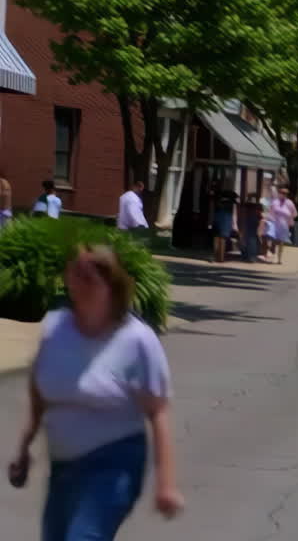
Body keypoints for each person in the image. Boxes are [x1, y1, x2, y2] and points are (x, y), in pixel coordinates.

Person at [8, 245, 184, 539]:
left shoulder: (136, 340)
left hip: (114, 465)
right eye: (75, 274)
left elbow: (158, 412)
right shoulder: (56, 328)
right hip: (63, 466)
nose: (79, 282)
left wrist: (166, 484)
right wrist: (25, 447)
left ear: (110, 286)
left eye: (90, 277)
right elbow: (40, 391)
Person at [267, 186, 297, 265]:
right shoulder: (275, 202)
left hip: (284, 226)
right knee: (273, 241)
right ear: (279, 193)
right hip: (275, 224)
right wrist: (270, 221)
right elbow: (270, 212)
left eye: (285, 194)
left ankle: (279, 259)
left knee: (281, 243)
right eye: (282, 193)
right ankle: (273, 256)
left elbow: (294, 214)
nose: (283, 195)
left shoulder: (289, 203)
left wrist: (290, 221)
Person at [210, 187, 238, 263]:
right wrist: (235, 225)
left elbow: (212, 211)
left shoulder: (218, 202)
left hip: (217, 219)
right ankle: (221, 258)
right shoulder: (232, 203)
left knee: (216, 238)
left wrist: (210, 221)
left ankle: (215, 256)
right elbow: (234, 214)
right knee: (223, 239)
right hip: (226, 221)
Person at [238, 193, 262, 262]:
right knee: (251, 240)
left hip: (249, 222)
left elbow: (243, 214)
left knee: (247, 239)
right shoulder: (257, 206)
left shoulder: (246, 205)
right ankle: (251, 256)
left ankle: (247, 256)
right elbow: (260, 215)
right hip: (252, 223)